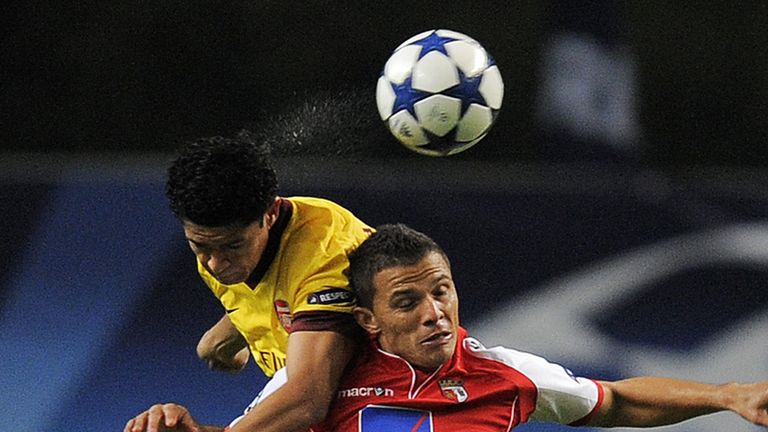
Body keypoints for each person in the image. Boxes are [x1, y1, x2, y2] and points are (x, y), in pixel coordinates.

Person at [134, 223, 768, 431]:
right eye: (407, 301)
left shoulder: (503, 374)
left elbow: (617, 398)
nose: (434, 312)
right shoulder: (324, 382)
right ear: (368, 321)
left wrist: (728, 396)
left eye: (442, 291)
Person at [123, 131, 373, 432]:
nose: (215, 264)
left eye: (233, 246)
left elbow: (308, 398)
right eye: (199, 246)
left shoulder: (324, 253)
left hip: (395, 394)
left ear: (270, 214)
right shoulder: (220, 254)